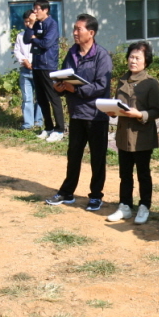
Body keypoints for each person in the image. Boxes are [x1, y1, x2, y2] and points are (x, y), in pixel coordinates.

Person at [44, 14, 113, 211]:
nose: (74, 33)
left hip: (96, 115)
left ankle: (95, 196)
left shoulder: (102, 56)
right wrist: (61, 87)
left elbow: (101, 85)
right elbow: (65, 77)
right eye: (74, 29)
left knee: (97, 157)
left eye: (78, 29)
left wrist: (76, 90)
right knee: (73, 155)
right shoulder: (72, 53)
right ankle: (67, 192)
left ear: (91, 33)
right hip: (76, 113)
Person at [105, 41, 159, 224]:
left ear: (146, 61)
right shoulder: (122, 80)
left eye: (137, 58)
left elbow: (156, 111)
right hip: (124, 134)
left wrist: (140, 114)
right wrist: (112, 110)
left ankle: (144, 206)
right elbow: (118, 104)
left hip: (142, 135)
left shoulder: (151, 83)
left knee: (143, 173)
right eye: (131, 56)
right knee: (125, 173)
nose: (133, 61)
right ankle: (125, 206)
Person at [22, 0, 65, 142]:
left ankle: (59, 129)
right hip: (37, 64)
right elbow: (26, 40)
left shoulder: (52, 24)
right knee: (41, 98)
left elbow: (46, 43)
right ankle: (48, 127)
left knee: (53, 97)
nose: (35, 12)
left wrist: (34, 38)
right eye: (34, 9)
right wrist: (31, 27)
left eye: (37, 9)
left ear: (45, 10)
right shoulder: (36, 24)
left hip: (48, 65)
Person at [15, 10, 42, 130]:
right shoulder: (20, 36)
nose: (27, 23)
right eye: (25, 21)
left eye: (29, 21)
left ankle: (39, 121)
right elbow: (17, 51)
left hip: (39, 70)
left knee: (40, 97)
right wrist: (24, 60)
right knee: (27, 98)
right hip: (25, 71)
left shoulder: (40, 34)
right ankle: (28, 123)